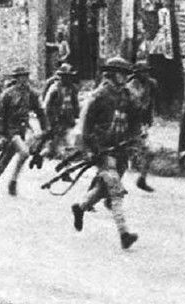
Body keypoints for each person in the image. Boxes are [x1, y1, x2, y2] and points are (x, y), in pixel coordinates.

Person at [71, 56, 140, 250]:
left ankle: (80, 207)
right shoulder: (99, 96)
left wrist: (134, 139)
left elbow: (135, 120)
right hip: (103, 150)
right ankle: (124, 233)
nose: (124, 78)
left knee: (104, 190)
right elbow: (85, 126)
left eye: (126, 75)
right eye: (121, 74)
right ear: (111, 74)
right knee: (115, 190)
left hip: (121, 150)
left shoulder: (127, 96)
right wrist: (91, 149)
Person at [0, 66, 46, 197]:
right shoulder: (8, 94)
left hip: (22, 129)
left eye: (25, 76)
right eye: (20, 77)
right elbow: (0, 114)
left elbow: (40, 111)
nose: (23, 79)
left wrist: (45, 127)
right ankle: (13, 181)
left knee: (6, 158)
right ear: (16, 78)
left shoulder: (32, 93)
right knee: (24, 153)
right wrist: (0, 133)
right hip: (10, 130)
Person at [126, 61, 157, 192]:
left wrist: (148, 119)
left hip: (140, 124)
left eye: (147, 72)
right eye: (143, 72)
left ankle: (142, 179)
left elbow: (150, 104)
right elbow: (133, 106)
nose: (146, 74)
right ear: (137, 73)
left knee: (150, 152)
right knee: (119, 158)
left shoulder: (150, 84)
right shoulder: (130, 86)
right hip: (128, 124)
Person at [42, 63, 79, 159]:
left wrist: (76, 116)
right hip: (56, 118)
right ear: (61, 77)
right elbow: (47, 106)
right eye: (66, 76)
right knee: (55, 141)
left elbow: (75, 103)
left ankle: (63, 153)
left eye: (69, 76)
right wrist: (49, 121)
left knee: (68, 139)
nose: (68, 79)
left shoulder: (73, 88)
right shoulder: (54, 89)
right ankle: (48, 152)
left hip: (68, 118)